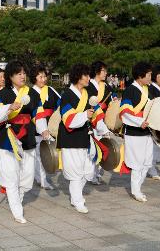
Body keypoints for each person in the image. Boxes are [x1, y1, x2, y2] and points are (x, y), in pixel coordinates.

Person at [0, 60, 44, 223]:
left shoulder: (33, 94)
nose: (23, 76)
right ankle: (17, 210)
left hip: (28, 136)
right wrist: (8, 108)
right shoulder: (3, 94)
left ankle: (18, 199)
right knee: (11, 174)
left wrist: (44, 129)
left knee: (27, 176)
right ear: (10, 76)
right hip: (9, 136)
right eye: (19, 73)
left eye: (24, 73)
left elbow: (39, 114)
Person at [57, 64, 109, 214]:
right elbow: (67, 119)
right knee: (76, 172)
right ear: (77, 77)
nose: (88, 78)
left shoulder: (88, 93)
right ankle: (78, 201)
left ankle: (75, 197)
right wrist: (85, 115)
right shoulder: (67, 95)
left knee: (88, 171)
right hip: (70, 137)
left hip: (85, 135)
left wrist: (104, 130)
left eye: (88, 75)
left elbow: (97, 114)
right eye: (85, 75)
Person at [119, 62, 153, 202]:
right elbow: (125, 113)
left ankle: (138, 187)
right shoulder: (130, 91)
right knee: (137, 163)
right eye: (149, 74)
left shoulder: (147, 89)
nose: (151, 77)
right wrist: (139, 122)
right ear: (140, 76)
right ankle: (136, 190)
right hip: (134, 131)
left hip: (147, 131)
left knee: (147, 162)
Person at [30, 64, 60, 190]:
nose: (43, 79)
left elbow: (61, 103)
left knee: (46, 152)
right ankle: (42, 179)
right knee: (39, 153)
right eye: (40, 77)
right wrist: (42, 128)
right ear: (34, 78)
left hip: (51, 124)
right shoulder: (30, 92)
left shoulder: (51, 90)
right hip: (36, 125)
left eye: (44, 76)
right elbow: (32, 111)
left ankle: (40, 177)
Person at [87, 61, 114, 185]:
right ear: (97, 71)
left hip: (102, 120)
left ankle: (95, 174)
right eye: (103, 71)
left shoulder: (106, 86)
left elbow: (110, 102)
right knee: (92, 149)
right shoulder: (89, 86)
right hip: (91, 119)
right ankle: (89, 174)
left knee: (100, 147)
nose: (106, 73)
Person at [147, 65, 160, 180]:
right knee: (153, 146)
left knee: (156, 145)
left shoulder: (159, 88)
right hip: (154, 120)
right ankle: (151, 168)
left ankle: (151, 166)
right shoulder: (152, 88)